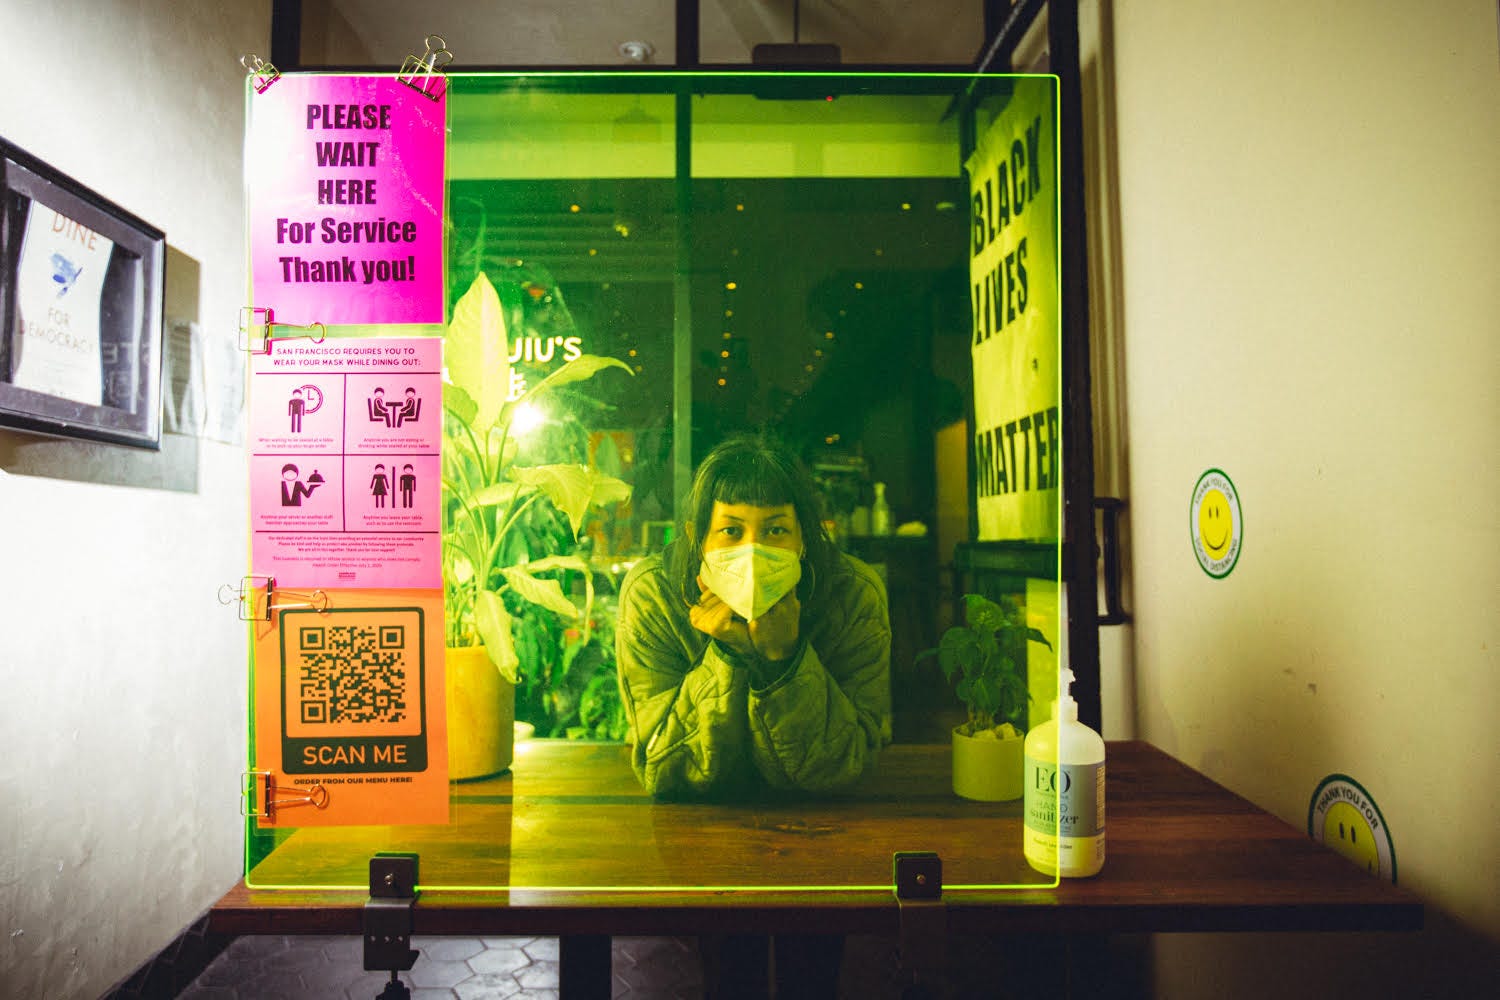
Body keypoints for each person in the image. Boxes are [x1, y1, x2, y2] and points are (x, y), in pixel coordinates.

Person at [616, 432, 892, 799]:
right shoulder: (655, 596)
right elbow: (665, 770)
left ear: (803, 540)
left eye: (775, 530)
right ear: (697, 538)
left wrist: (785, 658)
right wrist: (727, 655)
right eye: (731, 531)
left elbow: (846, 765)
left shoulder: (854, 594)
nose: (752, 552)